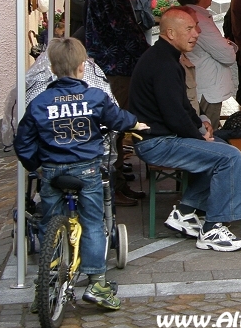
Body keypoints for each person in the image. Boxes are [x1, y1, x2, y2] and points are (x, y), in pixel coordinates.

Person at [14, 37, 149, 311]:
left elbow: (23, 141)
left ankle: (47, 281)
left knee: (50, 220)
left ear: (52, 68)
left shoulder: (40, 102)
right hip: (86, 170)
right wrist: (136, 122)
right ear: (82, 68)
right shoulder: (95, 97)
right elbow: (117, 119)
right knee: (93, 223)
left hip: (52, 171)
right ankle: (97, 281)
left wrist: (35, 165)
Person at [129, 7, 241, 252]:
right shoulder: (163, 63)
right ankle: (213, 227)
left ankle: (183, 212)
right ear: (170, 33)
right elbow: (173, 114)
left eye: (196, 27)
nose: (196, 34)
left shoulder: (165, 57)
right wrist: (200, 135)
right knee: (230, 157)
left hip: (159, 138)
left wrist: (199, 124)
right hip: (156, 143)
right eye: (190, 29)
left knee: (221, 149)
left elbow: (181, 105)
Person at [86, 0, 151, 207]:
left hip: (114, 65)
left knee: (117, 129)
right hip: (115, 67)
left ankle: (118, 182)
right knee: (114, 128)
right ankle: (114, 188)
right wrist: (151, 58)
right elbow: (124, 30)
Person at [175, 0, 238, 130]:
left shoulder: (191, 16)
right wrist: (229, 44)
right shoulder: (199, 19)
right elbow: (228, 56)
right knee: (208, 131)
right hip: (208, 89)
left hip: (202, 85)